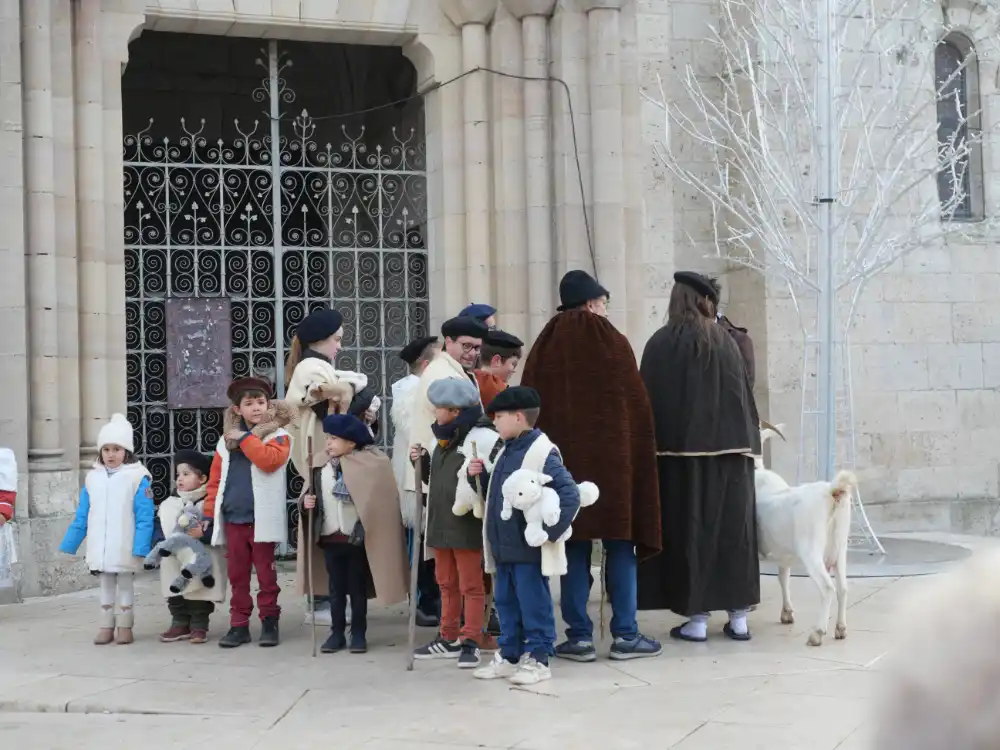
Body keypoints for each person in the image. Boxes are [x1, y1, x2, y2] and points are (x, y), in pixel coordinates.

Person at [520, 269, 662, 662]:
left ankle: (579, 637)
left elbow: (533, 404)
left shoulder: (546, 343)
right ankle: (626, 635)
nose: (604, 308)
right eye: (602, 302)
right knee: (620, 545)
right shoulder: (613, 341)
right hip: (615, 467)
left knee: (576, 546)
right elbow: (637, 405)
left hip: (563, 469)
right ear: (590, 302)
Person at [636, 271, 761, 641]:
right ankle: (739, 619)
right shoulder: (728, 341)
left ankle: (698, 620)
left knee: (691, 532)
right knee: (734, 534)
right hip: (733, 457)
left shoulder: (660, 344)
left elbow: (646, 402)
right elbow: (745, 396)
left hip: (680, 459)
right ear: (706, 300)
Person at [471, 387, 581, 685]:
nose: (494, 423)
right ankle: (510, 654)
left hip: (527, 551)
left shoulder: (542, 452)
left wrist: (548, 535)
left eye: (499, 417)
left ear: (518, 417)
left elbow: (569, 495)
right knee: (505, 603)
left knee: (533, 603)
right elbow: (503, 492)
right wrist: (479, 477)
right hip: (504, 548)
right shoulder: (507, 448)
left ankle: (539, 657)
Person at [284, 306, 367, 628]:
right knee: (323, 527)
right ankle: (321, 599)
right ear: (322, 340)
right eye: (337, 339)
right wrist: (357, 396)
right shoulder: (311, 368)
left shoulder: (315, 366)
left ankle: (333, 597)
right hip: (319, 457)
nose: (340, 346)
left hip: (324, 457)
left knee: (334, 526)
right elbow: (328, 413)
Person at [301, 414, 409, 654]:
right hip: (330, 536)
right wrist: (306, 503)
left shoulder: (373, 464)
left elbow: (381, 501)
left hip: (357, 538)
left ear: (351, 442)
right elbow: (311, 494)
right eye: (328, 437)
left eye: (335, 439)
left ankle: (358, 633)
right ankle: (336, 633)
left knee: (357, 589)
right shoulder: (320, 464)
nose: (328, 443)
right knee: (335, 589)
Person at [204, 376, 292, 648]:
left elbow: (269, 461)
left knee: (266, 574)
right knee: (238, 575)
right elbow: (215, 480)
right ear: (237, 410)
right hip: (234, 518)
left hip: (261, 519)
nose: (256, 408)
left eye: (261, 402)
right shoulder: (225, 442)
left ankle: (269, 621)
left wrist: (246, 438)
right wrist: (209, 513)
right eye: (249, 403)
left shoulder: (279, 436)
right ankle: (239, 624)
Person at [411, 378, 489, 669]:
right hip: (440, 522)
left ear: (455, 411)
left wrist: (477, 474)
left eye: (439, 409)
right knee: (445, 582)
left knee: (471, 584)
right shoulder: (438, 440)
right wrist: (420, 464)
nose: (434, 413)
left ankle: (470, 639)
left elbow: (483, 485)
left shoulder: (478, 438)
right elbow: (434, 481)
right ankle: (448, 636)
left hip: (465, 525)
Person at [59, 413, 155, 645]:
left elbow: (145, 516)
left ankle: (125, 625)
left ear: (127, 451)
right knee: (105, 584)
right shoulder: (93, 478)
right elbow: (83, 514)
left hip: (124, 543)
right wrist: (70, 544)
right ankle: (105, 624)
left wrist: (141, 546)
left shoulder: (137, 478)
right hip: (100, 545)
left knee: (124, 583)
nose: (111, 455)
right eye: (106, 449)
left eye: (117, 449)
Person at [390, 335, 442, 627]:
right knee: (420, 542)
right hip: (417, 476)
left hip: (426, 473)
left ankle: (431, 596)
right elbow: (418, 433)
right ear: (425, 364)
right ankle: (423, 600)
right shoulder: (412, 390)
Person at [156, 450, 225, 645]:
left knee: (200, 591)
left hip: (201, 553)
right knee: (174, 586)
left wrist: (204, 534)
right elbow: (160, 527)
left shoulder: (208, 504)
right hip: (173, 555)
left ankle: (199, 624)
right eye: (178, 474)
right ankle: (179, 621)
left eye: (186, 474)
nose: (180, 479)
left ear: (202, 478)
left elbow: (217, 528)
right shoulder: (171, 503)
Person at [474, 329, 523, 408]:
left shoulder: (468, 381)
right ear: (496, 361)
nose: (513, 370)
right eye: (513, 364)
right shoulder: (498, 392)